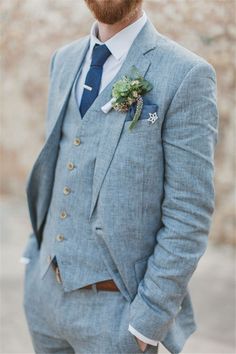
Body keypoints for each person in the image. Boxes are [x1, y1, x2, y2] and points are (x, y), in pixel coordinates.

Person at [21, 0, 219, 353]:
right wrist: (33, 258)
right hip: (45, 303)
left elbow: (189, 210)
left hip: (118, 319)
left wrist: (149, 319)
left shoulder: (187, 74)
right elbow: (55, 165)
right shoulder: (63, 60)